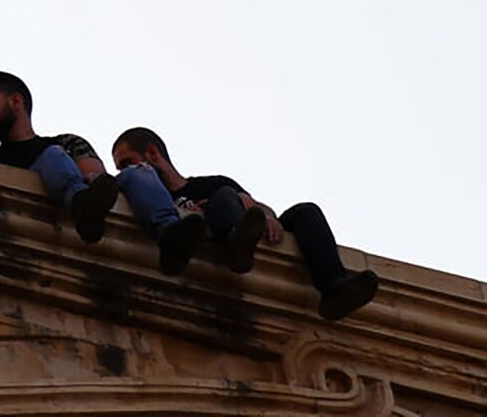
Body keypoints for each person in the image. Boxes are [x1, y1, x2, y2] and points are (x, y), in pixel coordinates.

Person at [111, 126, 381, 321]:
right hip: (218, 242)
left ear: (152, 152)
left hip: (247, 234)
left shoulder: (211, 183)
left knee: (305, 211)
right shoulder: (154, 199)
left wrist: (266, 215)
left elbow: (256, 206)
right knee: (227, 197)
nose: (126, 172)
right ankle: (233, 241)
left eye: (128, 163)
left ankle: (334, 287)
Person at [0, 70, 206, 273]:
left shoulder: (67, 142)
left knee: (140, 171)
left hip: (89, 202)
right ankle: (79, 204)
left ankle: (170, 235)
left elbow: (97, 179)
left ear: (16, 102)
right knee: (52, 154)